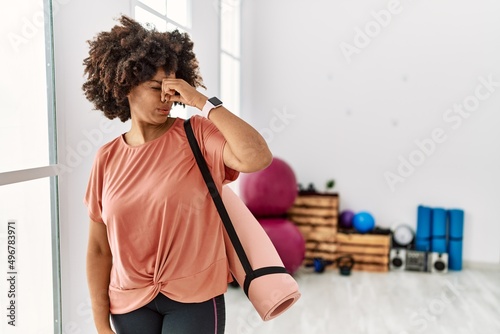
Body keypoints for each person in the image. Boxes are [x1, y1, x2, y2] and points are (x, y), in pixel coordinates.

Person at [82, 15, 272, 334]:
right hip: (128, 304)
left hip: (194, 300)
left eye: (172, 88)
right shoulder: (106, 158)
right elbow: (99, 249)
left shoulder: (197, 134)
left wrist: (201, 101)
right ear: (124, 84)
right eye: (157, 87)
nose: (166, 97)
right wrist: (101, 325)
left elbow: (257, 157)